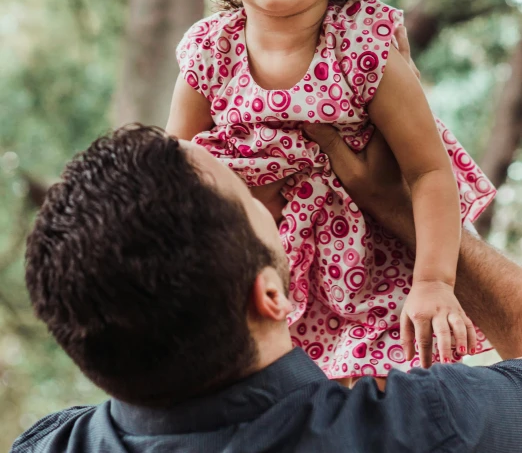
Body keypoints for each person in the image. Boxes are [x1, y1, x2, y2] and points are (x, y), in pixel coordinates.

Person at [163, 0, 496, 381]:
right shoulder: (208, 53)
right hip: (262, 274)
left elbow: (426, 172)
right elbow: (175, 169)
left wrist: (435, 282)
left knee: (373, 400)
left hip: (370, 275)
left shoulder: (363, 46)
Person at [10, 110, 522, 451]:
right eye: (249, 197)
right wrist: (397, 207)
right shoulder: (421, 427)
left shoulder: (45, 445)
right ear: (270, 295)